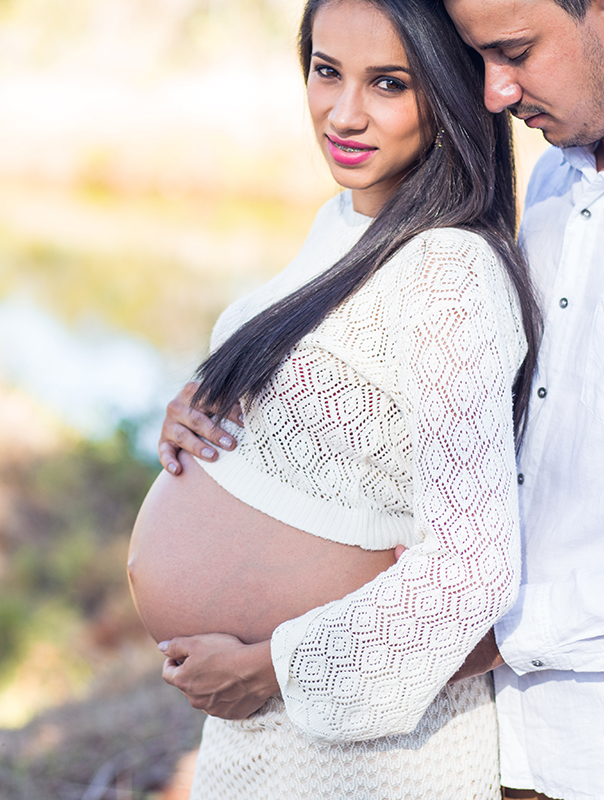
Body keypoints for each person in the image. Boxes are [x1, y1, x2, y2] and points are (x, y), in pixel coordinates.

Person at [158, 0, 604, 798]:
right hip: (505, 747)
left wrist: (501, 632)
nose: (492, 93)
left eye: (514, 52)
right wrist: (231, 420)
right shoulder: (558, 171)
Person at [127, 0, 542, 796]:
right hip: (264, 729)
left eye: (389, 83)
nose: (344, 114)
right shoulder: (341, 225)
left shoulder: (448, 269)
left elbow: (473, 566)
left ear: (451, 93)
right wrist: (200, 424)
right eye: (327, 72)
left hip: (367, 755)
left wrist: (276, 668)